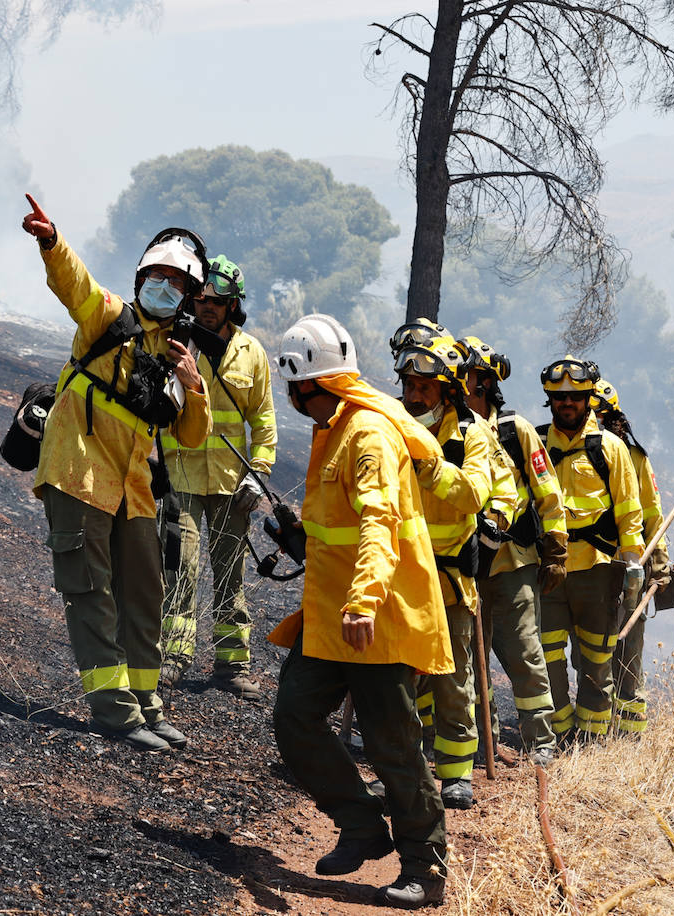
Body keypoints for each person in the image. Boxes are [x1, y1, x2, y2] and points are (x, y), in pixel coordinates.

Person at [269, 314, 453, 909]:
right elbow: (338, 526)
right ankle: (361, 826)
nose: (292, 399)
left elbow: (380, 524)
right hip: (330, 616)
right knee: (295, 715)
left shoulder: (368, 433)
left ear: (308, 383)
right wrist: (300, 536)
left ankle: (425, 872)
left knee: (392, 745)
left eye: (293, 388)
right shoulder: (335, 425)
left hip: (374, 616)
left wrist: (363, 600)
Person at [20, 193, 210, 752]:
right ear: (140, 275)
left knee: (144, 595)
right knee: (92, 593)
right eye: (158, 275)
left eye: (177, 282)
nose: (165, 286)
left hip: (132, 488)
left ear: (188, 297)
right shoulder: (108, 318)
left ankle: (148, 705)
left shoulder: (177, 353)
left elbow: (191, 437)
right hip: (78, 472)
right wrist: (52, 242)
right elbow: (74, 283)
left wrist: (193, 386)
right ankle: (114, 710)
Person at [392, 332, 502, 809]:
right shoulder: (391, 424)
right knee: (399, 677)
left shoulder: (473, 435)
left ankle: (456, 774)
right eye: (409, 385)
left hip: (451, 579)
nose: (415, 396)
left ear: (448, 390)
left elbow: (476, 494)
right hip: (399, 575)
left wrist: (430, 468)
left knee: (452, 677)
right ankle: (407, 769)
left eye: (426, 387)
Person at [159, 255, 276, 700]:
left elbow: (263, 420)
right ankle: (173, 657)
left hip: (232, 485)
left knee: (231, 574)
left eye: (218, 301)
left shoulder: (252, 353)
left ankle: (232, 665)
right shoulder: (177, 343)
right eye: (202, 298)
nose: (208, 306)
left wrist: (258, 474)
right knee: (180, 568)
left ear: (233, 306)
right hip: (181, 476)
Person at [456, 336, 568, 766]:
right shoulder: (450, 431)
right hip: (462, 567)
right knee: (467, 660)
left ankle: (540, 742)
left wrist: (556, 552)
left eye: (464, 378)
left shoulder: (514, 431)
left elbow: (548, 494)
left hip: (511, 564)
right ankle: (481, 739)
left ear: (484, 382)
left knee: (523, 652)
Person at [536, 356, 645, 745]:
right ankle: (561, 737)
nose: (567, 403)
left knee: (597, 666)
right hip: (548, 572)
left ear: (587, 398)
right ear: (549, 399)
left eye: (575, 397)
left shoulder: (611, 449)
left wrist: (632, 563)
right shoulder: (535, 445)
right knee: (547, 663)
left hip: (598, 573)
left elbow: (630, 511)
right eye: (559, 397)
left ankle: (592, 745)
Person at [592, 378, 670, 736]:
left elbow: (653, 515)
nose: (595, 421)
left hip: (630, 568)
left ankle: (629, 730)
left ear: (615, 418)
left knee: (629, 650)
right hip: (589, 566)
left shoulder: (636, 458)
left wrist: (659, 564)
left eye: (601, 415)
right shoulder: (566, 452)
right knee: (591, 650)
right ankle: (592, 722)